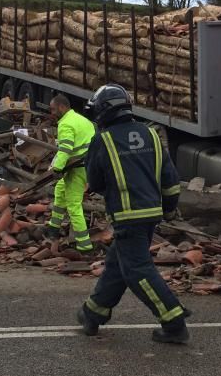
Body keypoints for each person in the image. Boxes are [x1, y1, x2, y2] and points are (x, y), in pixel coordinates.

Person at [77, 84, 190, 344]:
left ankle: (174, 323)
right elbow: (170, 178)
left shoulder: (102, 140)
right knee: (118, 264)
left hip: (127, 216)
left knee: (137, 270)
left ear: (104, 111)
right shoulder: (151, 134)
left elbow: (94, 182)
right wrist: (170, 206)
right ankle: (92, 313)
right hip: (151, 214)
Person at [45, 95, 96, 253]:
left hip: (77, 168)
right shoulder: (81, 120)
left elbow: (65, 150)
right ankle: (53, 228)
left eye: (53, 109)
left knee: (74, 205)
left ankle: (84, 246)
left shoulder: (66, 124)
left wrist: (56, 168)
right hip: (87, 164)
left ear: (62, 107)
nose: (51, 113)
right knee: (60, 190)